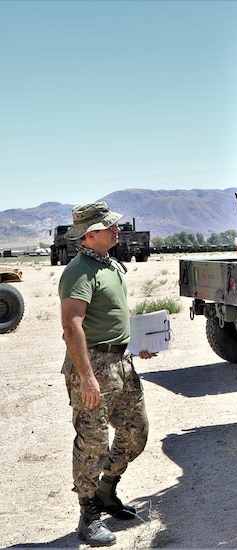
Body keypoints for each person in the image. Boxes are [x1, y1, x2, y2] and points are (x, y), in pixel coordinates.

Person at [59, 201, 154, 547]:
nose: (117, 229)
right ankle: (88, 515)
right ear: (91, 234)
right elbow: (72, 326)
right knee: (92, 444)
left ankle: (106, 491)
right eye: (109, 227)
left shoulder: (111, 265)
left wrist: (138, 341)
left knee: (136, 433)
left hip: (121, 364)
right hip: (93, 366)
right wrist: (86, 377)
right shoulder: (78, 271)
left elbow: (117, 312)